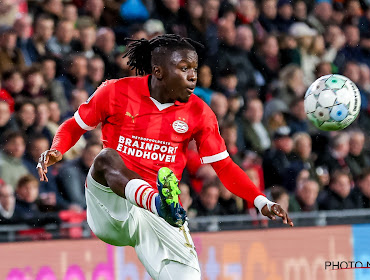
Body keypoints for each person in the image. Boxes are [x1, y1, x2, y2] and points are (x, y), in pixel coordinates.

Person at [37, 34, 292, 280]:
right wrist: (57, 148)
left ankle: (161, 205)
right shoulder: (115, 91)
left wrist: (261, 201)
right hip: (113, 205)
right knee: (105, 158)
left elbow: (224, 166)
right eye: (184, 68)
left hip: (162, 214)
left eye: (194, 68)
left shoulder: (199, 112)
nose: (193, 77)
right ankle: (158, 201)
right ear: (158, 71)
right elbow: (74, 125)